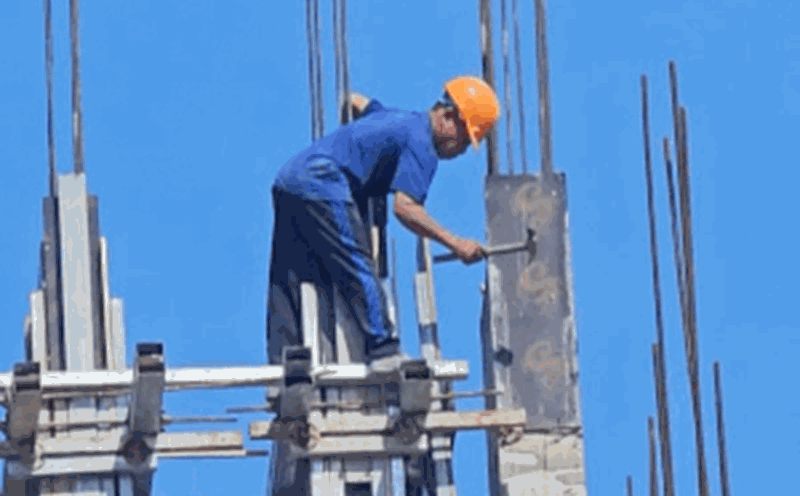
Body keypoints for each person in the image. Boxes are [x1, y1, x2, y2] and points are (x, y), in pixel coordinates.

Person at [266, 75, 500, 367]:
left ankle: (284, 361)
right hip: (323, 182)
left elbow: (359, 101)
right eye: (464, 139)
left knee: (290, 275)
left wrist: (351, 112)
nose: (461, 150)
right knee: (356, 260)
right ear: (448, 118)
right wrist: (456, 243)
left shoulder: (398, 118)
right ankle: (382, 348)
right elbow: (405, 208)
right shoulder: (422, 143)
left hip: (289, 179)